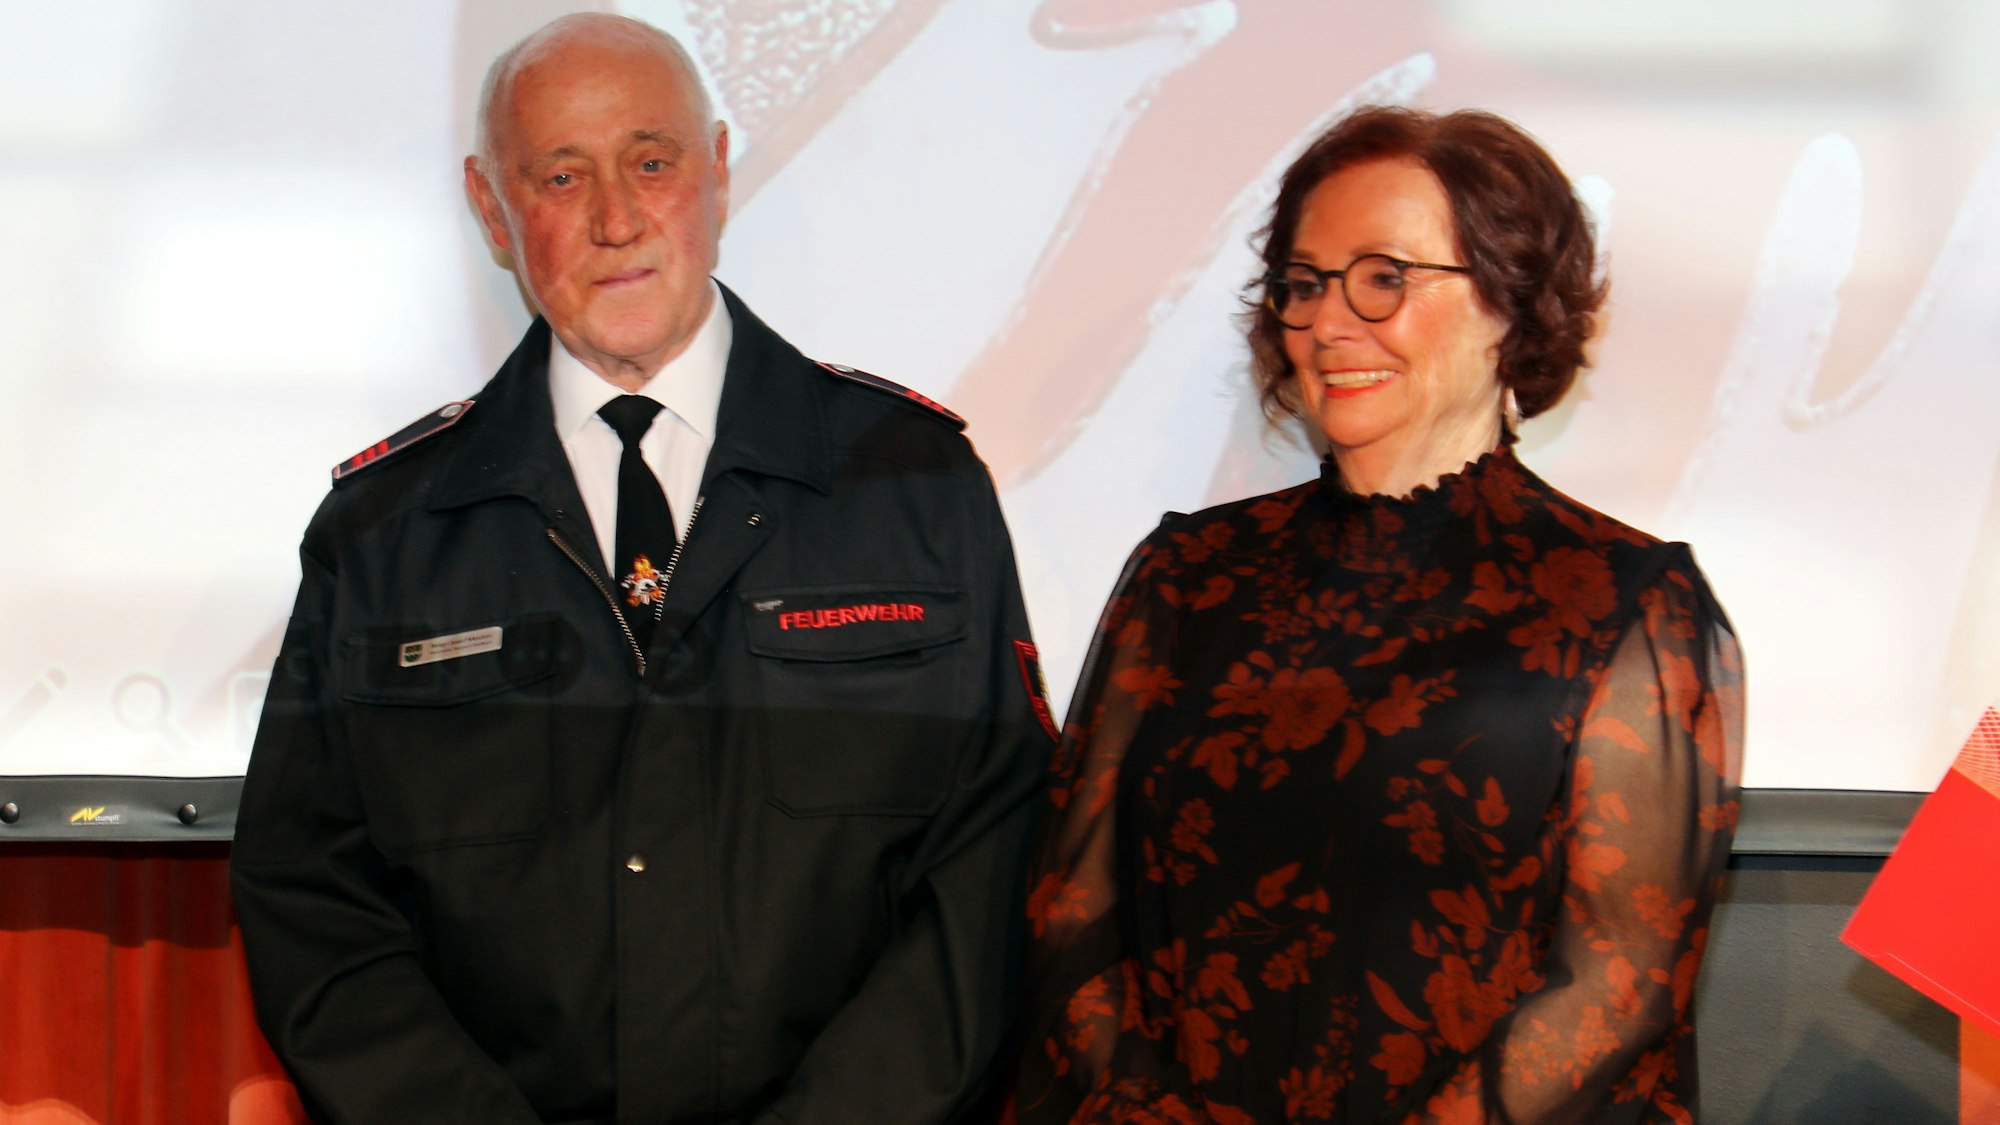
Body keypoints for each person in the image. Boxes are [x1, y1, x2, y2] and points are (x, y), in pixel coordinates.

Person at [230, 14, 1053, 1123]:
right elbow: (310, 899)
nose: (616, 220)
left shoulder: (910, 486)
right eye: (561, 176)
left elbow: (991, 865)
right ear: (491, 207)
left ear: (714, 169)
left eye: (651, 163)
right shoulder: (385, 532)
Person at [1012, 107, 1744, 1124]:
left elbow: (1617, 980)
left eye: (1383, 277)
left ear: (1508, 301)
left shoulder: (1624, 602)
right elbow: (1070, 910)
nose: (1324, 321)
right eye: (1304, 284)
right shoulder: (1185, 575)